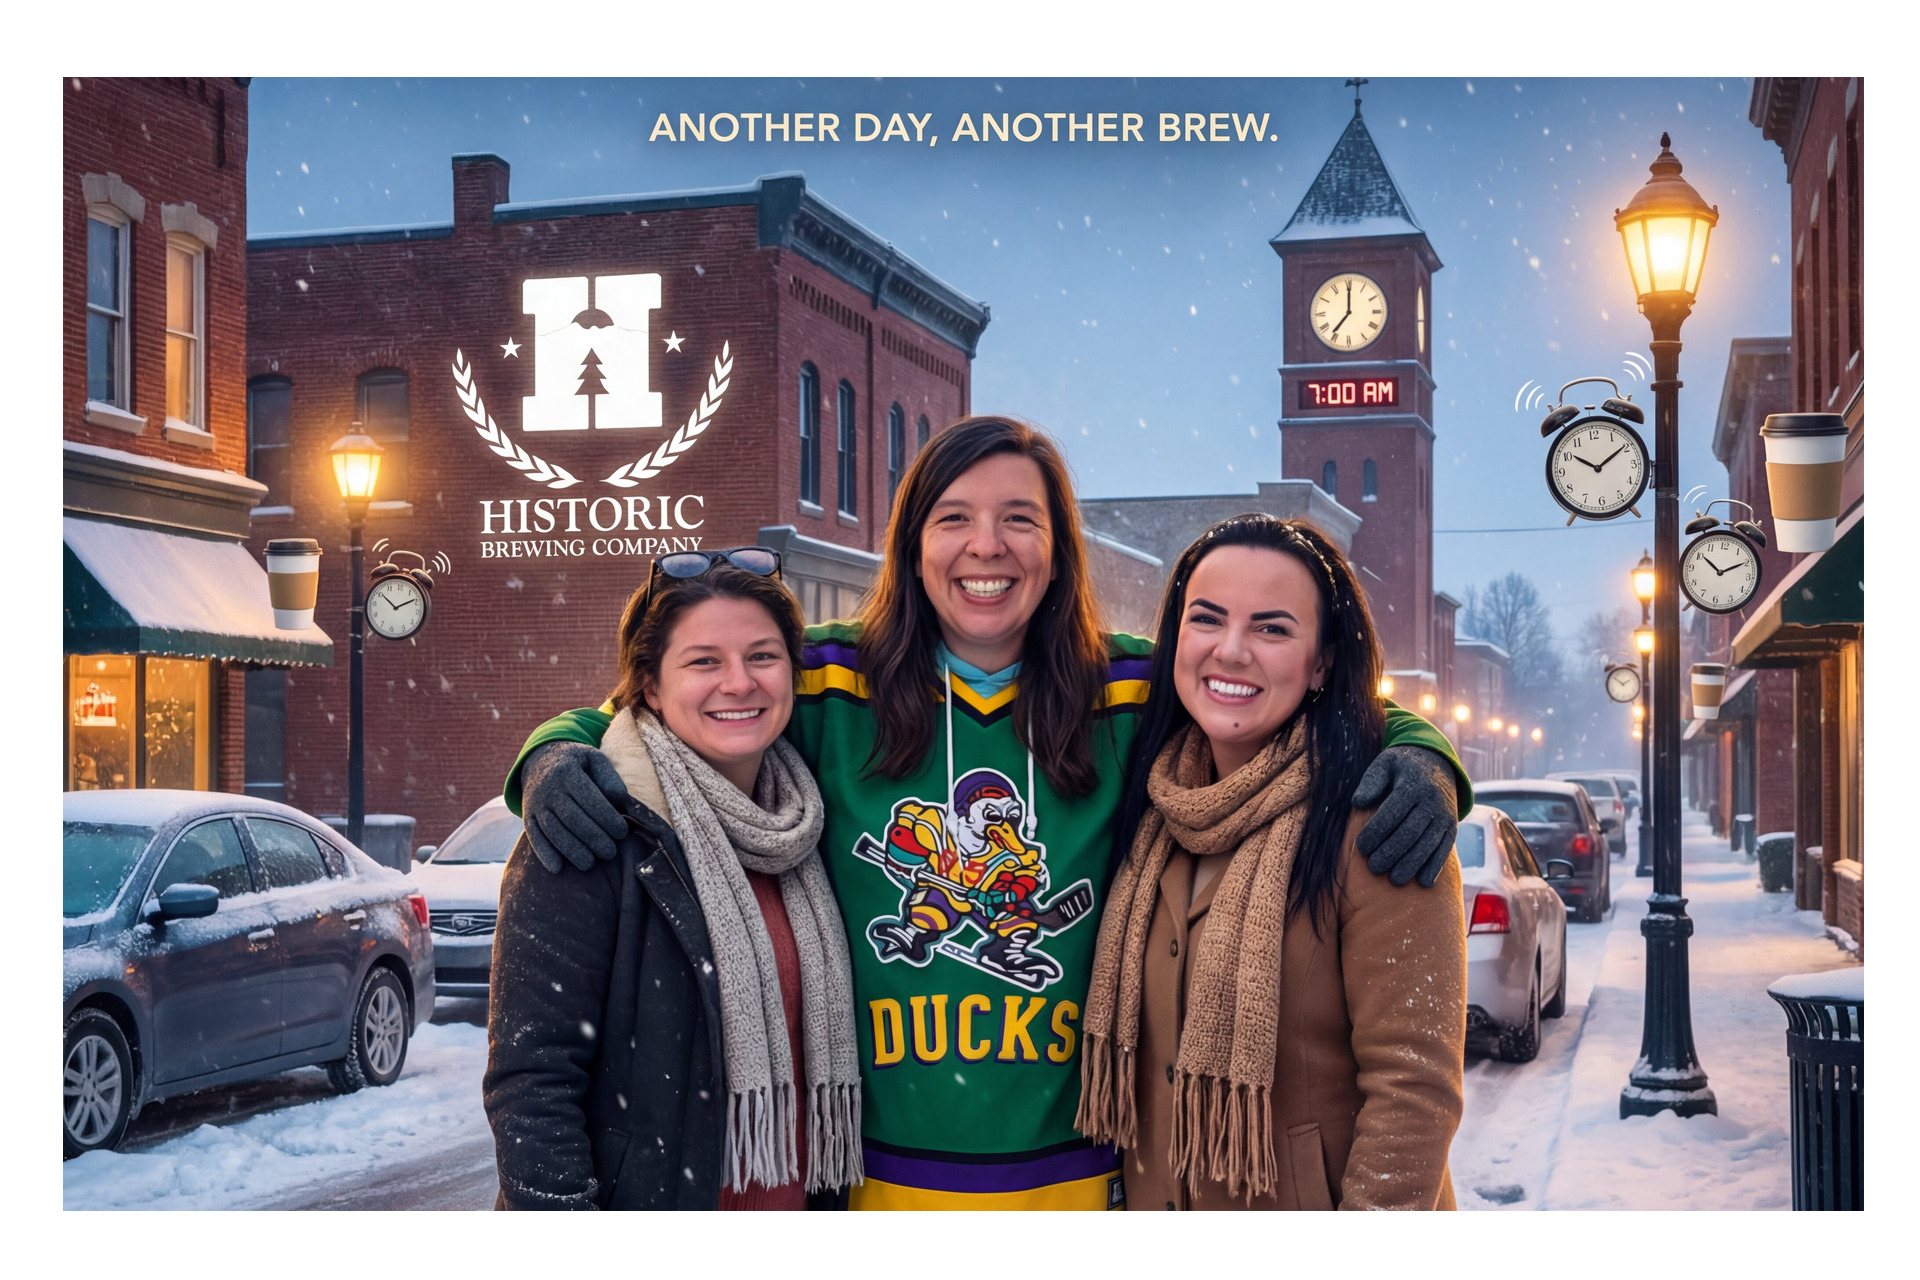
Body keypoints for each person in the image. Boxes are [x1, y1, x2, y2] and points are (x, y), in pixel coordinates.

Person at [503, 416, 1469, 1209]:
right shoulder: (829, 680)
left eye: (1020, 519)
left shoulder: (1132, 689)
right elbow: (676, 697)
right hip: (876, 1180)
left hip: (1079, 1182)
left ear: (1059, 551)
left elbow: (1305, 700)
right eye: (954, 516)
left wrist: (1426, 758)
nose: (987, 546)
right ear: (912, 543)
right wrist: (553, 750)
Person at [1077, 514, 1466, 1210]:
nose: (1231, 650)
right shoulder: (1150, 804)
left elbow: (1415, 1092)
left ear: (1322, 662)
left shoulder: (1380, 819)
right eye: (1208, 619)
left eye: (1272, 628)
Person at [482, 552, 863, 1209]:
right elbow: (532, 1082)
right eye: (704, 661)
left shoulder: (807, 828)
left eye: (763, 657)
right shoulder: (595, 826)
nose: (739, 683)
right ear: (650, 687)